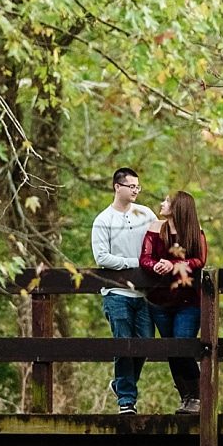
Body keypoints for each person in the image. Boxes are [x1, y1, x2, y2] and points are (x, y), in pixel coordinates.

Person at [91, 166, 156, 413]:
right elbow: (102, 258)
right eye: (131, 186)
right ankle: (126, 401)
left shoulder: (146, 214)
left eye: (138, 186)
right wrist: (134, 263)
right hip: (116, 293)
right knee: (123, 345)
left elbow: (160, 241)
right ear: (117, 187)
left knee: (146, 343)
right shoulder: (103, 220)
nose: (136, 190)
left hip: (144, 293)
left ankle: (120, 384)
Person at [141, 190, 208, 413]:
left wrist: (174, 265)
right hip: (159, 301)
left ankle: (198, 396)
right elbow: (145, 258)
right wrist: (156, 266)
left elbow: (200, 260)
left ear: (179, 207)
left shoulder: (194, 231)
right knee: (171, 349)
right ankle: (186, 397)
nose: (162, 203)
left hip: (188, 300)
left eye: (167, 201)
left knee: (183, 345)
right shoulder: (155, 228)